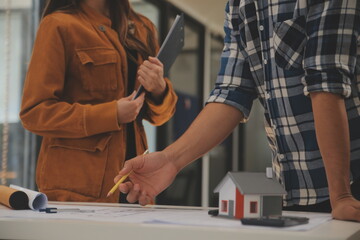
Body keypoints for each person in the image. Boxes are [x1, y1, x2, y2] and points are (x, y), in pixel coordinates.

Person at [114, 0, 360, 221]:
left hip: (349, 186)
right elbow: (231, 92)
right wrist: (170, 160)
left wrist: (340, 195)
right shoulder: (239, 5)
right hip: (292, 190)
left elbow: (326, 83)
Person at [19, 0, 177, 203]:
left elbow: (160, 116)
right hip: (77, 189)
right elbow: (34, 113)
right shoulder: (59, 24)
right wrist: (112, 114)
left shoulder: (142, 27)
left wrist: (159, 89)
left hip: (135, 185)